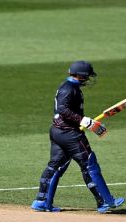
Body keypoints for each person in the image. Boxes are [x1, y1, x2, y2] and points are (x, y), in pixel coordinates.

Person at [31, 61, 124, 213]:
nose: (88, 79)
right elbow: (62, 109)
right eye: (86, 76)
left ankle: (42, 202)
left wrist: (90, 124)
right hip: (70, 135)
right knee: (89, 165)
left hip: (58, 131)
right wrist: (83, 120)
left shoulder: (69, 87)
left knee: (55, 166)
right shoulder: (69, 89)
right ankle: (106, 202)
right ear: (81, 75)